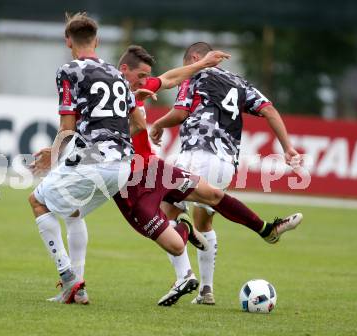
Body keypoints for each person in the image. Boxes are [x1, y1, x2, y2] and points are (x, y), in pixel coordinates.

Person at [28, 12, 228, 305]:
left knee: (37, 200)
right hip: (124, 166)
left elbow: (67, 128)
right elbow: (137, 122)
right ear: (96, 41)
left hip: (94, 159)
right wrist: (202, 63)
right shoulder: (116, 75)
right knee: (73, 213)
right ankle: (77, 291)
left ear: (67, 40)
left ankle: (69, 278)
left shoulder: (68, 71)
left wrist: (53, 156)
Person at [149, 42, 302, 306]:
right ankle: (206, 290)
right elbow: (269, 110)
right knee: (204, 222)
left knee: (161, 216)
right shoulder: (239, 82)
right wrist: (288, 148)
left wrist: (159, 124)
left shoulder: (194, 73)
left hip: (197, 155)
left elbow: (181, 112)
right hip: (226, 164)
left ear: (195, 58)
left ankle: (184, 275)